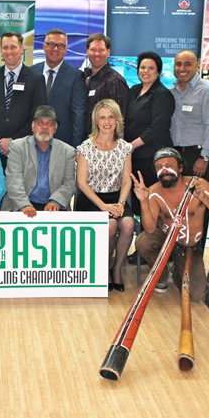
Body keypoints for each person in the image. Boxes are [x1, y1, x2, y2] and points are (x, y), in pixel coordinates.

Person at [132, 148, 209, 299]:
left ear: (180, 167)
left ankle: (178, 269)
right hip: (166, 238)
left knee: (197, 295)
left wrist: (204, 198)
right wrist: (143, 201)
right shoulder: (153, 191)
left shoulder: (199, 184)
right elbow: (150, 229)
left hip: (189, 247)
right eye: (159, 167)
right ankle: (162, 274)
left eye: (169, 165)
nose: (164, 170)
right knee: (143, 242)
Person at [75, 99, 134, 292]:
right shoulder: (85, 147)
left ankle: (116, 268)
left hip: (117, 198)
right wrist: (103, 206)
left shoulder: (125, 148)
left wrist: (121, 203)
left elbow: (127, 181)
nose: (107, 122)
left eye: (111, 117)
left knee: (128, 223)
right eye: (102, 118)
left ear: (117, 120)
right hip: (91, 200)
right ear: (96, 121)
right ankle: (103, 270)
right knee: (109, 225)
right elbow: (82, 183)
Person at [0, 31, 47, 164]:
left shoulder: (36, 79)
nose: (9, 51)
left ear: (22, 49)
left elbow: (37, 117)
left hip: (24, 149)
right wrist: (0, 142)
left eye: (13, 47)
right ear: (0, 51)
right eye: (5, 47)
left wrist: (12, 141)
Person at [125, 51, 175, 215]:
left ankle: (152, 237)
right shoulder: (134, 90)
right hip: (134, 156)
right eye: (142, 67)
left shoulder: (162, 95)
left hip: (152, 158)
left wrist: (131, 146)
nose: (145, 71)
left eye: (151, 68)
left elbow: (157, 128)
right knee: (137, 201)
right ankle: (140, 236)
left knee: (151, 202)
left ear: (158, 71)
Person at [1, 105, 76, 216]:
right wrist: (24, 205)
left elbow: (69, 183)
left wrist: (55, 201)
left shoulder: (68, 151)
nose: (44, 127)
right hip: (20, 205)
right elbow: (13, 179)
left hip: (54, 207)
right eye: (40, 123)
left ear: (55, 129)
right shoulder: (17, 147)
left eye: (50, 124)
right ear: (33, 127)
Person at [31, 28, 86, 147]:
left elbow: (78, 115)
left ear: (66, 49)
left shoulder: (76, 76)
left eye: (60, 45)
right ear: (44, 46)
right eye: (51, 44)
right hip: (33, 142)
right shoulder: (31, 72)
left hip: (63, 144)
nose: (55, 49)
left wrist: (77, 148)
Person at [170, 49, 209, 179]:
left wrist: (204, 157)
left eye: (187, 64)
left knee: (199, 197)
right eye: (178, 64)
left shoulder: (207, 92)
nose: (182, 68)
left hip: (197, 155)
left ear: (197, 66)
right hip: (176, 155)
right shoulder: (171, 92)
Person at [84, 33, 129, 138]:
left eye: (101, 50)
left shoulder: (115, 81)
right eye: (93, 50)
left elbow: (120, 119)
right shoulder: (87, 80)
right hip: (89, 143)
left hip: (107, 145)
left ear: (108, 52)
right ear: (87, 52)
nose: (97, 54)